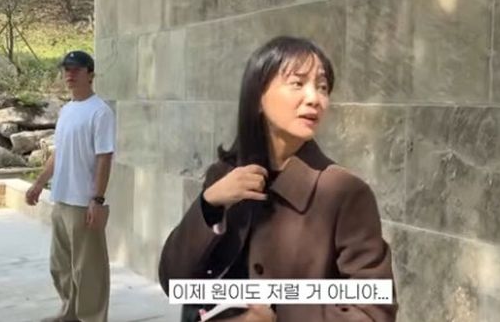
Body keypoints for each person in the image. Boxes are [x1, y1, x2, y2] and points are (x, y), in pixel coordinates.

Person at [159, 36, 397, 321]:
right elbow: (174, 284)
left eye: (322, 87)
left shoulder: (344, 192)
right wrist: (209, 205)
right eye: (298, 83)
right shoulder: (224, 176)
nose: (315, 98)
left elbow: (373, 311)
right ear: (258, 96)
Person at [26, 50, 116, 322]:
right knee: (61, 265)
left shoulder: (100, 112)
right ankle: (70, 313)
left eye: (76, 69)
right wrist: (39, 183)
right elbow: (59, 152)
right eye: (67, 69)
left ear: (90, 74)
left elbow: (104, 157)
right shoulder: (66, 110)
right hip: (61, 198)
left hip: (83, 203)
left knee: (89, 270)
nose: (70, 74)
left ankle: (92, 318)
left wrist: (97, 200)